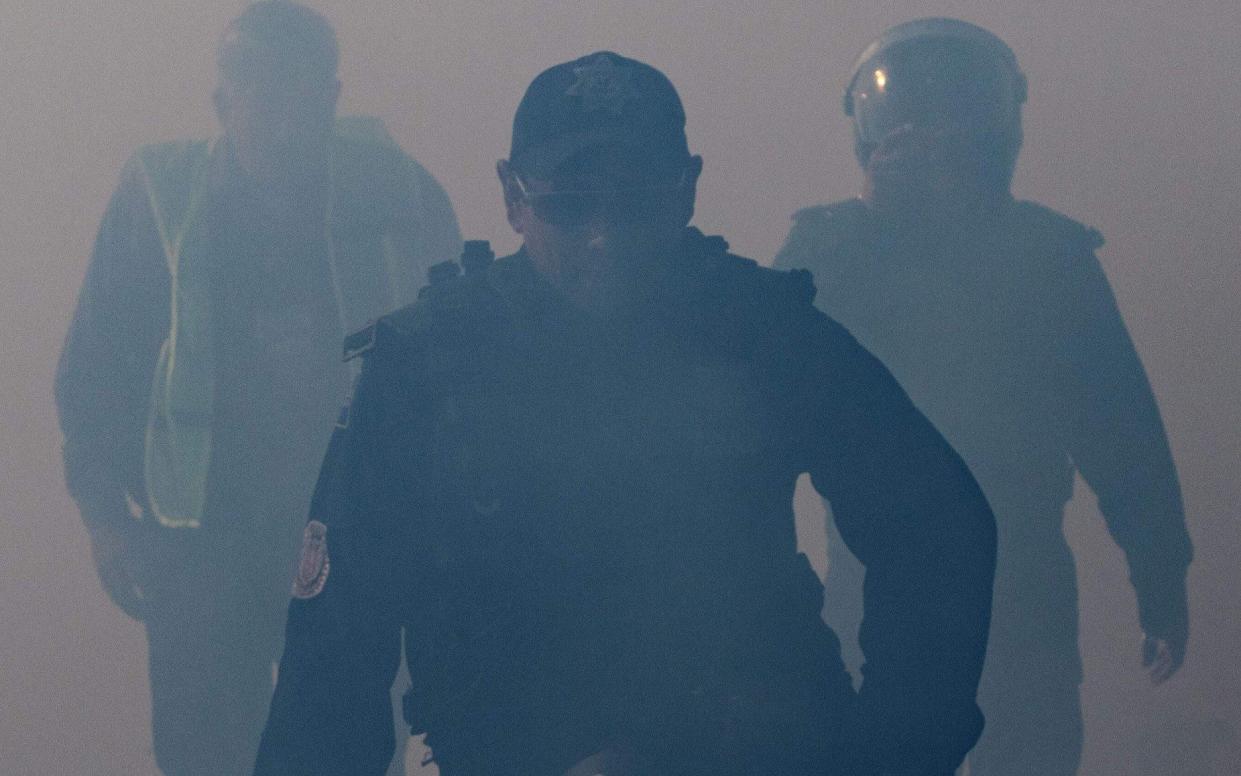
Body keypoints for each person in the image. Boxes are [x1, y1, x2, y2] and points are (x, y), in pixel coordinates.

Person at [254, 51, 996, 776]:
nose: (604, 235)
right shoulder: (426, 368)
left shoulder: (763, 336)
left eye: (636, 198)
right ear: (512, 197)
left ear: (687, 190)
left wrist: (897, 752)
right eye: (571, 205)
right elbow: (336, 649)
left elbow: (936, 525)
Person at [774, 18, 1193, 776]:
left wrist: (1160, 572)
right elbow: (762, 381)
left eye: (950, 123)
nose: (933, 146)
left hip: (1018, 593)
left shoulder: (1049, 260)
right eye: (914, 124)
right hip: (873, 587)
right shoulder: (832, 249)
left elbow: (1122, 433)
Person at [54, 2, 460, 774]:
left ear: (333, 97)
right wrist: (106, 519)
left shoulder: (396, 191)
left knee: (343, 745)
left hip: (351, 531)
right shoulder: (158, 198)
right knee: (208, 753)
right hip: (201, 540)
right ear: (222, 102)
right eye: (263, 95)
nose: (283, 121)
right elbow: (96, 370)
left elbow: (465, 357)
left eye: (302, 95)